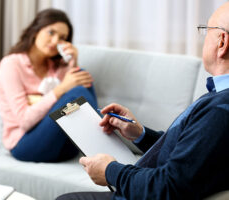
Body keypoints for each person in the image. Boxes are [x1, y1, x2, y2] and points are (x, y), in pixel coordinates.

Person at [56, 2, 229, 200]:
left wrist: (110, 171)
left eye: (206, 30)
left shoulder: (220, 110)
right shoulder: (218, 100)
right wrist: (140, 134)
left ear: (221, 42)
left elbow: (168, 187)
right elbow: (188, 156)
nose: (203, 38)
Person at [0, 8, 98, 162]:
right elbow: (24, 120)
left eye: (62, 38)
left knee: (80, 78)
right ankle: (103, 147)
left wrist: (72, 62)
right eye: (51, 33)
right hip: (26, 144)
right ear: (36, 30)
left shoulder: (56, 67)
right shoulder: (11, 64)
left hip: (60, 146)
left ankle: (100, 145)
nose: (56, 41)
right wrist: (61, 89)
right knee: (75, 90)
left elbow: (73, 103)